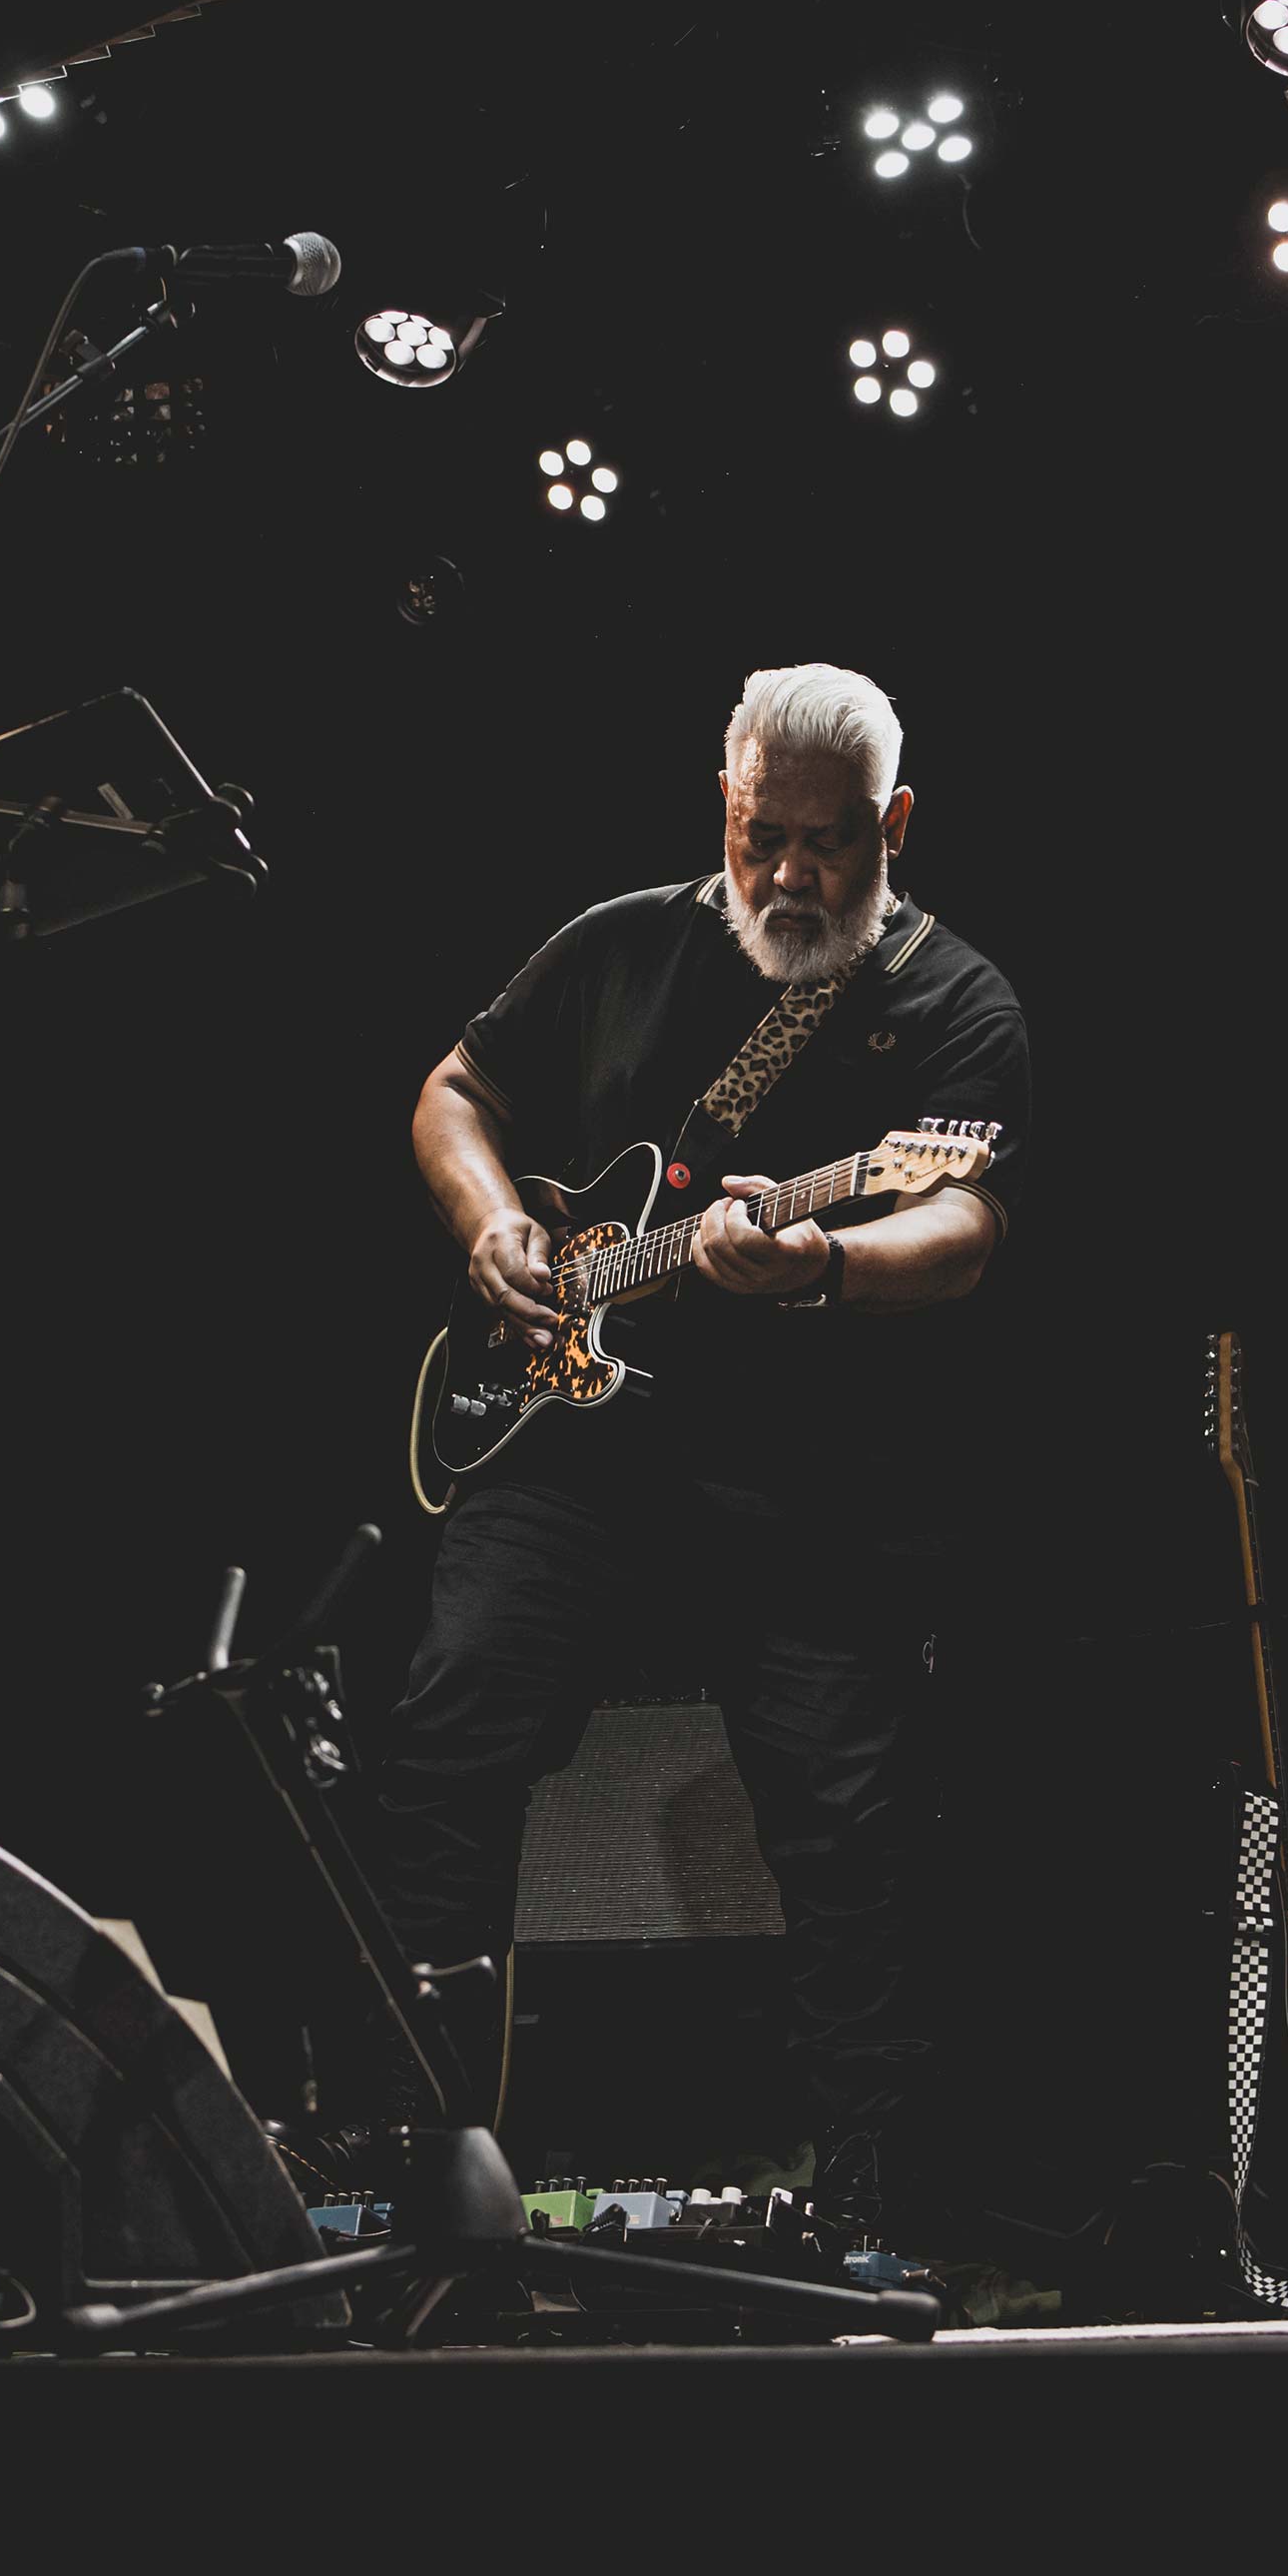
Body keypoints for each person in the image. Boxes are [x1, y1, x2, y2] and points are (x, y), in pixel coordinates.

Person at [382, 661, 1031, 2226]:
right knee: (452, 1728)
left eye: (833, 843)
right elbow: (457, 1089)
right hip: (570, 1442)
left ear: (900, 822)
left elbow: (964, 1217)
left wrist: (823, 1263)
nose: (795, 875)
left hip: (808, 1481)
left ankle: (873, 2192)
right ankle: (420, 2146)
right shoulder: (618, 944)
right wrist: (490, 1229)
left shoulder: (954, 1003)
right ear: (721, 809)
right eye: (766, 839)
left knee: (839, 1816)